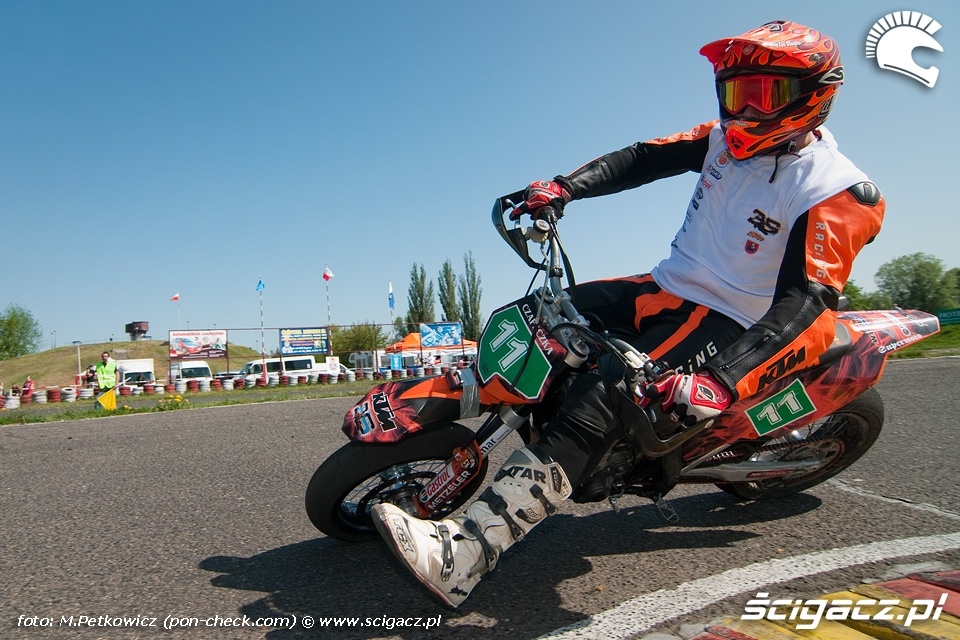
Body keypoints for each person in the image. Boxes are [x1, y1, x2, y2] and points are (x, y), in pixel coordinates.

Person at [373, 21, 885, 607]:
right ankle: (452, 398)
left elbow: (807, 303)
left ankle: (465, 554)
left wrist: (719, 379)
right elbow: (642, 158)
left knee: (609, 395)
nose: (743, 110)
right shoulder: (719, 139)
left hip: (733, 320)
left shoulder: (839, 191)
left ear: (815, 95)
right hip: (663, 285)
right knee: (540, 316)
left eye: (764, 94)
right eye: (735, 92)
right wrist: (564, 187)